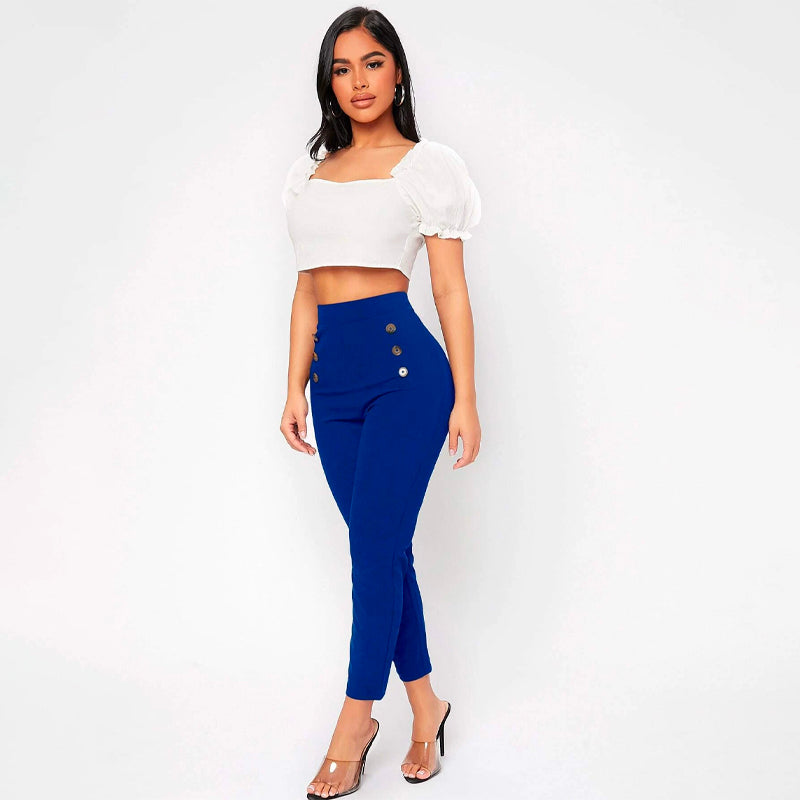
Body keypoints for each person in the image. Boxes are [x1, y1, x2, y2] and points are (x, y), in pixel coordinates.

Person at [279, 7, 481, 798]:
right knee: (383, 550)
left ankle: (355, 720)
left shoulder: (425, 166)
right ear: (328, 82)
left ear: (397, 72)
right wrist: (292, 385)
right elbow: (306, 289)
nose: (357, 81)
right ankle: (427, 706)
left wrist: (466, 397)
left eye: (372, 63)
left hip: (407, 381)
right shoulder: (309, 175)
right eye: (341, 67)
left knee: (371, 551)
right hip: (331, 388)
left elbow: (450, 290)